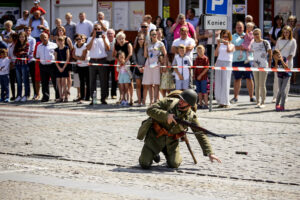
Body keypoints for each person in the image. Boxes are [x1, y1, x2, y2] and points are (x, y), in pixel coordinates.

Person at [138, 89, 221, 169]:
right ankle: (154, 154)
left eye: (183, 101)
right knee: (144, 164)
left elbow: (200, 133)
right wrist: (166, 115)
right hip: (154, 139)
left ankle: (168, 154)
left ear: (189, 105)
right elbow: (150, 110)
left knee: (174, 164)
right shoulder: (169, 102)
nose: (180, 101)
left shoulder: (191, 117)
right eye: (180, 99)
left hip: (171, 143)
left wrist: (210, 153)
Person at [230, 21, 255, 104]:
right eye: (238, 27)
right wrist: (240, 47)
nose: (239, 28)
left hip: (247, 60)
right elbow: (231, 47)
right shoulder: (232, 37)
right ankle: (235, 97)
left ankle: (252, 97)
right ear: (235, 28)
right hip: (236, 61)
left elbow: (253, 44)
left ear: (244, 28)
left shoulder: (249, 35)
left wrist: (246, 47)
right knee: (237, 79)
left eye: (241, 27)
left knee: (249, 78)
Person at [86, 24, 110, 105]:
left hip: (102, 60)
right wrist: (93, 38)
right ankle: (93, 98)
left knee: (103, 81)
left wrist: (103, 39)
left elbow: (108, 48)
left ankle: (103, 98)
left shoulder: (104, 37)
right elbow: (88, 48)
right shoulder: (89, 38)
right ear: (93, 30)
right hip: (93, 61)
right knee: (92, 81)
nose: (97, 30)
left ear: (101, 30)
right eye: (95, 29)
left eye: (98, 29)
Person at [142, 29, 167, 105]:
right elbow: (145, 55)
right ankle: (151, 100)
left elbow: (165, 54)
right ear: (150, 36)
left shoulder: (160, 43)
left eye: (155, 34)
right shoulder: (148, 43)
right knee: (149, 83)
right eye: (152, 34)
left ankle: (156, 100)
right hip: (149, 63)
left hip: (156, 63)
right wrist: (145, 47)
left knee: (156, 83)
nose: (154, 36)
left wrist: (164, 64)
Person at [273, 25, 297, 102]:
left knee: (287, 80)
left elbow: (292, 52)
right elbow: (276, 50)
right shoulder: (279, 40)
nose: (286, 33)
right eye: (285, 32)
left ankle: (285, 96)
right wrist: (278, 60)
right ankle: (275, 96)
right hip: (279, 61)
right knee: (277, 79)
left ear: (290, 33)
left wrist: (285, 61)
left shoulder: (293, 41)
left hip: (288, 62)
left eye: (287, 32)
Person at [250, 28, 272, 108]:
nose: (255, 35)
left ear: (260, 34)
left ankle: (263, 102)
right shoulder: (253, 43)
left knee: (262, 84)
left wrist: (269, 63)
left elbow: (270, 53)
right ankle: (257, 101)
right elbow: (252, 53)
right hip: (255, 66)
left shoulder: (265, 42)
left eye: (257, 34)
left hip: (263, 65)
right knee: (257, 84)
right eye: (254, 34)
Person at [36, 32, 59, 102]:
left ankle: (58, 96)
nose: (44, 38)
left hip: (52, 66)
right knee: (44, 82)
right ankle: (45, 97)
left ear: (48, 37)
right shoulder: (39, 46)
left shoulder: (54, 45)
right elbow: (38, 56)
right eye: (42, 38)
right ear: (40, 39)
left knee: (55, 82)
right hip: (43, 66)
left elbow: (57, 55)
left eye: (45, 37)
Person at [214, 30, 235, 108]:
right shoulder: (220, 45)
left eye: (226, 36)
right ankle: (219, 101)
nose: (225, 38)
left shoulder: (232, 45)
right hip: (219, 62)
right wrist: (219, 44)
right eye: (223, 36)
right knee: (218, 81)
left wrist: (227, 43)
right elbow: (215, 54)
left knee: (225, 81)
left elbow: (229, 50)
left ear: (229, 37)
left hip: (227, 63)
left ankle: (225, 101)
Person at [113, 31, 133, 105]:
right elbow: (114, 54)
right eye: (119, 38)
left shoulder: (128, 44)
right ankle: (122, 98)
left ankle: (131, 98)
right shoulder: (116, 45)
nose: (121, 40)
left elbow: (130, 53)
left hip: (128, 63)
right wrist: (119, 61)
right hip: (121, 64)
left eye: (122, 38)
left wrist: (124, 61)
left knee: (129, 82)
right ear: (117, 39)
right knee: (121, 82)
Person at [55, 26, 74, 98]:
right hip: (60, 59)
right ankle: (62, 93)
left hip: (67, 59)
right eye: (59, 30)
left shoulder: (67, 38)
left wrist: (71, 58)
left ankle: (68, 90)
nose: (60, 32)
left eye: (61, 31)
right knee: (61, 79)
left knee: (68, 77)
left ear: (64, 31)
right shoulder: (57, 39)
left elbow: (71, 48)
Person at [73, 34, 90, 103]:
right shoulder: (75, 45)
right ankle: (82, 97)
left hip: (86, 66)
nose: (79, 40)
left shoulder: (85, 46)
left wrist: (77, 57)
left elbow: (83, 58)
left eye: (80, 39)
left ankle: (88, 97)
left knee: (88, 82)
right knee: (81, 82)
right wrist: (78, 58)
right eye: (77, 39)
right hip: (79, 66)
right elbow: (73, 55)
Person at [13, 32, 30, 102]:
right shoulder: (17, 44)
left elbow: (26, 52)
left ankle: (26, 95)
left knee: (25, 80)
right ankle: (19, 95)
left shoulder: (27, 44)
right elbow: (15, 53)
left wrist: (20, 53)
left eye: (23, 37)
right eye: (20, 37)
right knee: (19, 81)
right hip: (17, 63)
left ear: (25, 37)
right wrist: (20, 53)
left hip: (24, 64)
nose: (21, 38)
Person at [54, 36, 70, 103]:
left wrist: (63, 67)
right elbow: (55, 59)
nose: (60, 42)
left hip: (65, 66)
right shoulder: (56, 49)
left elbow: (68, 58)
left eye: (62, 41)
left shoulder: (66, 48)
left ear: (64, 41)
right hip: (58, 67)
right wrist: (59, 67)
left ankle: (66, 97)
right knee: (59, 82)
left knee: (64, 82)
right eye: (59, 41)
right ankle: (61, 97)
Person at [132, 33, 146, 106]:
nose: (141, 40)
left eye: (142, 39)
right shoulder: (135, 49)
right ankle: (139, 101)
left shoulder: (145, 48)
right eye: (139, 39)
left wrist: (144, 67)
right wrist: (138, 67)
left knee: (144, 85)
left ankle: (144, 100)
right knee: (138, 85)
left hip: (145, 68)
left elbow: (147, 58)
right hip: (138, 68)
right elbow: (134, 60)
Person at [194, 45, 209, 109]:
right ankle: (200, 103)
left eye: (201, 51)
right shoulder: (196, 59)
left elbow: (206, 68)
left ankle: (206, 104)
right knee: (199, 91)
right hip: (197, 77)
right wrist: (194, 75)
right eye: (198, 51)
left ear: (204, 51)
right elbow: (195, 68)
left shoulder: (205, 58)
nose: (199, 52)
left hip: (203, 78)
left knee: (204, 91)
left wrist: (200, 75)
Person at [24, 26, 37, 100]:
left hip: (31, 60)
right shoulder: (22, 39)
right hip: (24, 61)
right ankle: (27, 94)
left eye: (29, 30)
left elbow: (32, 50)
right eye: (26, 30)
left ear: (30, 31)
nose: (27, 31)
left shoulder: (32, 39)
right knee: (25, 78)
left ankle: (35, 93)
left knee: (33, 78)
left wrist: (25, 54)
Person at [287, 15, 299, 85]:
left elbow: (297, 41)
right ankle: (288, 79)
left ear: (295, 22)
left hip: (294, 49)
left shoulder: (297, 30)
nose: (291, 23)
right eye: (290, 21)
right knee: (287, 64)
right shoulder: (286, 29)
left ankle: (293, 80)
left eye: (293, 21)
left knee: (294, 65)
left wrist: (296, 50)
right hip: (286, 50)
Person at [106, 29, 117, 99]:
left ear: (114, 34)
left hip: (114, 61)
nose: (110, 35)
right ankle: (106, 94)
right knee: (105, 78)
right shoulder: (104, 41)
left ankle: (113, 94)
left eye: (111, 33)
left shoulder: (116, 41)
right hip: (106, 61)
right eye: (108, 33)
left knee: (114, 78)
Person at [7, 33, 18, 101]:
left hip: (18, 64)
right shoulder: (9, 45)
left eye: (10, 37)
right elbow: (8, 55)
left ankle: (19, 95)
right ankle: (13, 95)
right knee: (12, 81)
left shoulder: (17, 45)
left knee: (19, 81)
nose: (9, 38)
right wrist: (10, 63)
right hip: (11, 65)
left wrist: (15, 63)